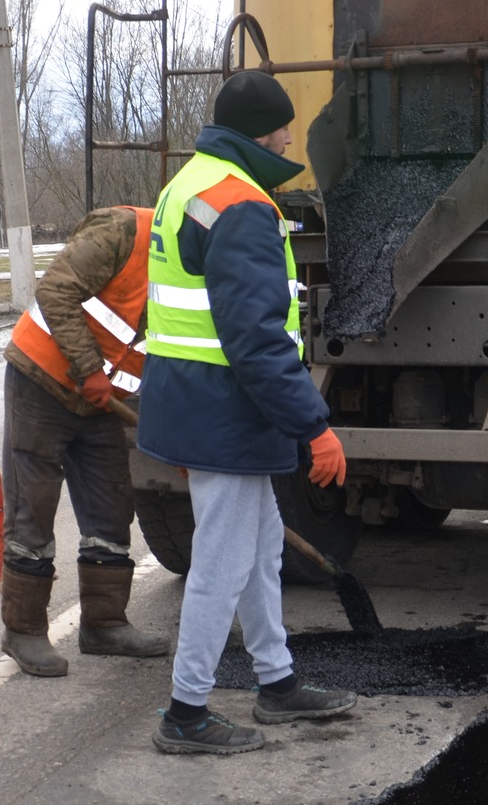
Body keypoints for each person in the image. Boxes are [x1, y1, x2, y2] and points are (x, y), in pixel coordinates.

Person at [137, 71, 358, 754]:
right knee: (223, 564)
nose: (290, 138)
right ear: (262, 131)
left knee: (261, 552)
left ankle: (277, 682)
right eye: (284, 126)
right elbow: (256, 338)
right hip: (225, 409)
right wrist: (314, 426)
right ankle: (186, 713)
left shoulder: (189, 184)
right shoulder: (242, 205)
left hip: (199, 402)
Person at [0, 204, 169, 676]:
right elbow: (56, 292)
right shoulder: (123, 230)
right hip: (42, 379)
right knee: (32, 508)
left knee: (111, 508)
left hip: (100, 401)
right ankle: (23, 630)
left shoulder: (190, 269)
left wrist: (180, 438)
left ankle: (105, 624)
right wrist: (90, 369)